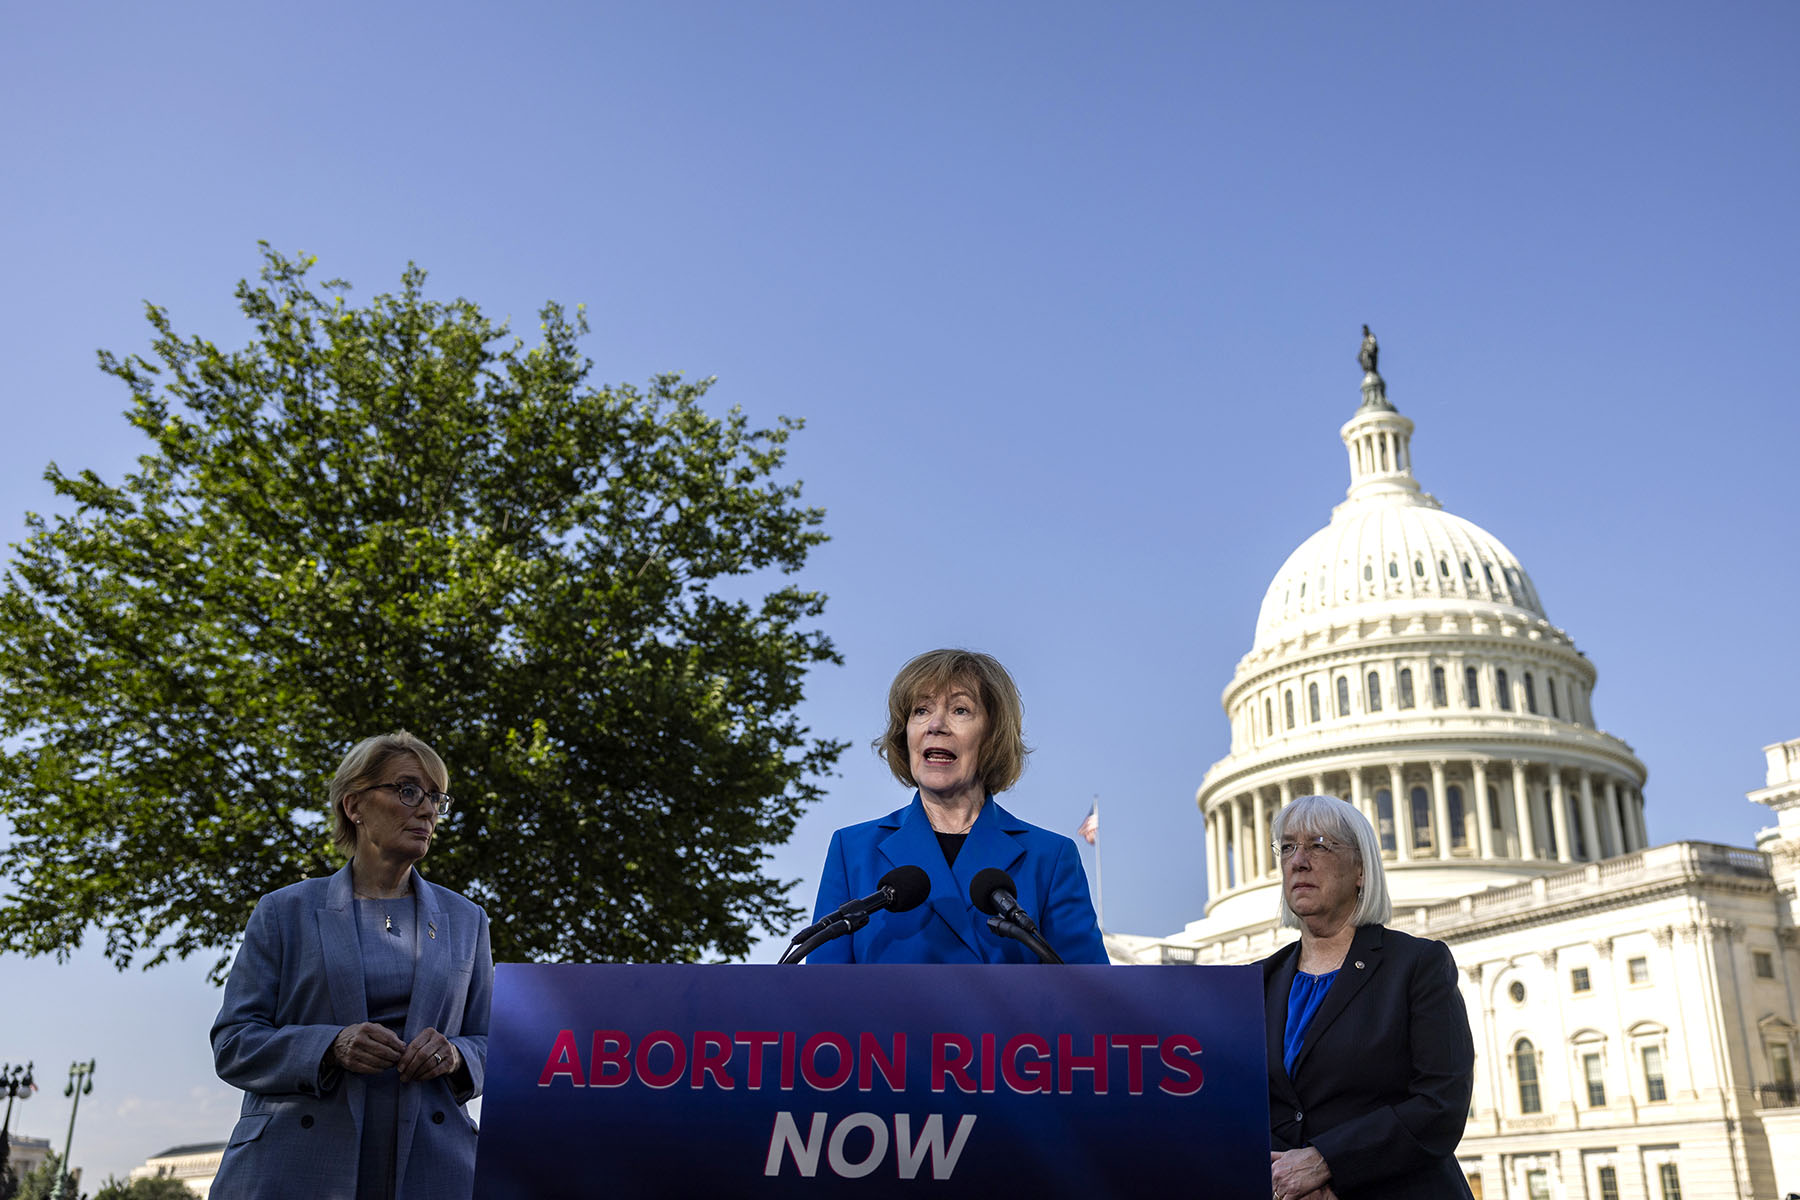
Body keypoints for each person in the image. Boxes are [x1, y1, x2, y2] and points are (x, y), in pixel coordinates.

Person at [211, 732, 493, 1200]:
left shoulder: (468, 920)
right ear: (354, 805)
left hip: (431, 1166)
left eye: (436, 798)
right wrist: (329, 1047)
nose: (426, 810)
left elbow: (493, 1043)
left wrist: (458, 1055)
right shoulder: (284, 911)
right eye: (408, 791)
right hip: (296, 1164)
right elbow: (234, 1041)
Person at [808, 648, 1107, 964]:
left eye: (960, 710)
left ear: (992, 735)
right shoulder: (852, 850)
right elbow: (822, 994)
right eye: (921, 710)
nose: (935, 725)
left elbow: (1086, 998)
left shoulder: (1050, 858)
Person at [1263, 794, 1474, 1200]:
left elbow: (1440, 1104)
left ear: (1361, 869)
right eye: (1287, 846)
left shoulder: (1416, 965)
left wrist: (1326, 1163)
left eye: (1319, 845)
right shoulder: (1259, 981)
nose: (1298, 860)